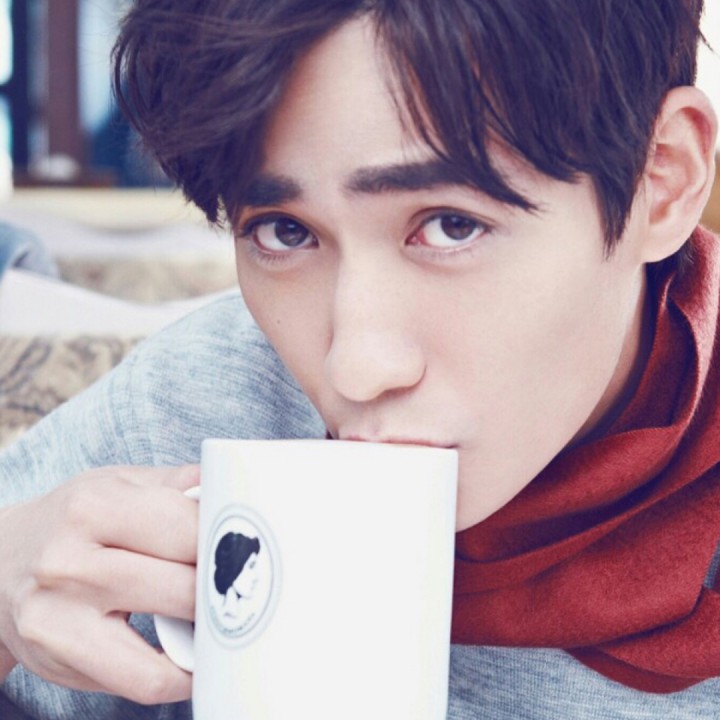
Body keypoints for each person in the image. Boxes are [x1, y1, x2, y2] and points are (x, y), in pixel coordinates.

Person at [0, 0, 718, 717]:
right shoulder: (201, 402)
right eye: (284, 233)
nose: (356, 368)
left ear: (662, 180)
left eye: (451, 225)